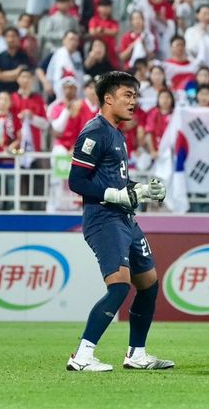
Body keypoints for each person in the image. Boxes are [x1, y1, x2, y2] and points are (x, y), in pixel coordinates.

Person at [66, 71, 171, 372]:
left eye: (135, 96)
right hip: (103, 219)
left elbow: (118, 180)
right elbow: (76, 180)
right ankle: (82, 356)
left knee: (148, 285)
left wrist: (143, 189)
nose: (133, 102)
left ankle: (136, 354)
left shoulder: (116, 133)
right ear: (108, 98)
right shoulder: (94, 132)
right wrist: (113, 193)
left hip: (125, 219)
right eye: (128, 95)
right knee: (119, 286)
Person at [0, 27, 33, 97]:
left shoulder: (24, 56)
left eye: (13, 36)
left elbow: (24, 76)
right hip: (1, 96)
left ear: (18, 38)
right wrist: (16, 72)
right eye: (8, 36)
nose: (10, 39)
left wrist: (2, 74)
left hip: (19, 96)